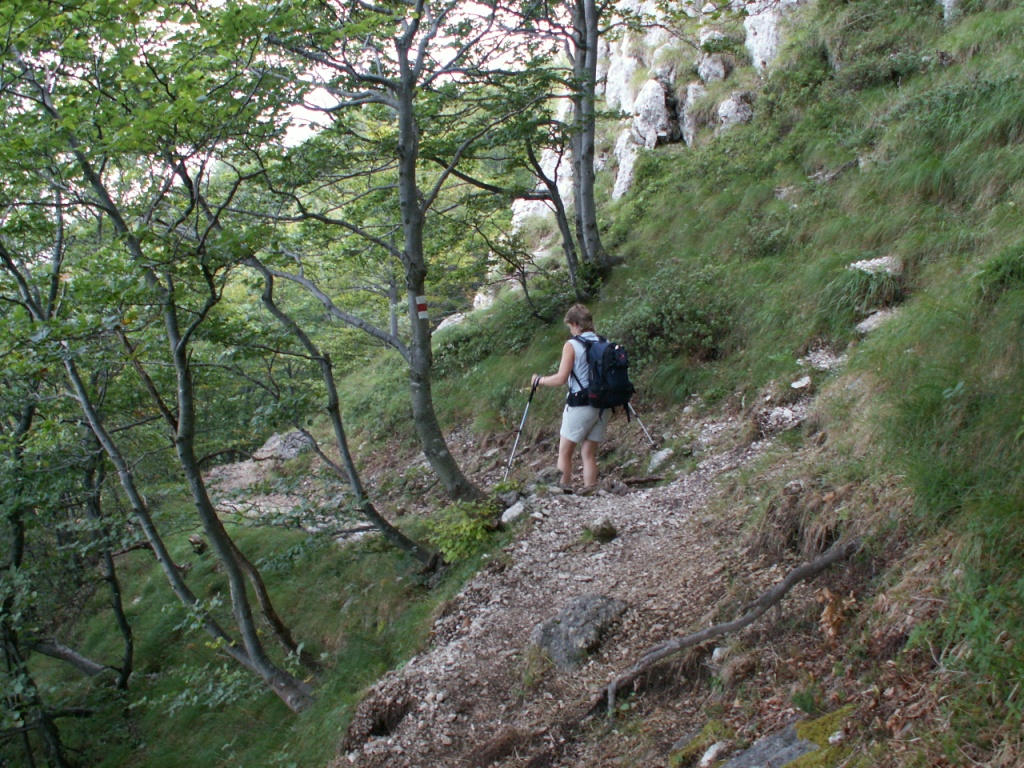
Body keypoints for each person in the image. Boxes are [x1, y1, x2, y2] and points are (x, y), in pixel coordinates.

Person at [530, 304, 611, 490]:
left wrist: (539, 380)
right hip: (603, 403)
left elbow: (561, 378)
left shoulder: (572, 345)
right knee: (588, 453)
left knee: (565, 452)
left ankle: (563, 492)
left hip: (580, 404)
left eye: (570, 326)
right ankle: (591, 491)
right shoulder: (603, 341)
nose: (570, 330)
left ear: (575, 323)